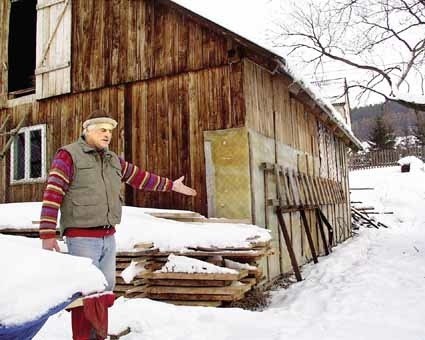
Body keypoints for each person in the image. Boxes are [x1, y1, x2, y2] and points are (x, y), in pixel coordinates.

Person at [39, 109, 196, 291]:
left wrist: (171, 185)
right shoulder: (68, 155)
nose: (107, 134)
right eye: (102, 129)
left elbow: (140, 177)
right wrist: (47, 233)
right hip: (81, 237)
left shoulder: (113, 159)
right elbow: (53, 192)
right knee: (87, 292)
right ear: (87, 130)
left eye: (110, 131)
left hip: (108, 236)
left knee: (106, 289)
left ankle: (102, 321)